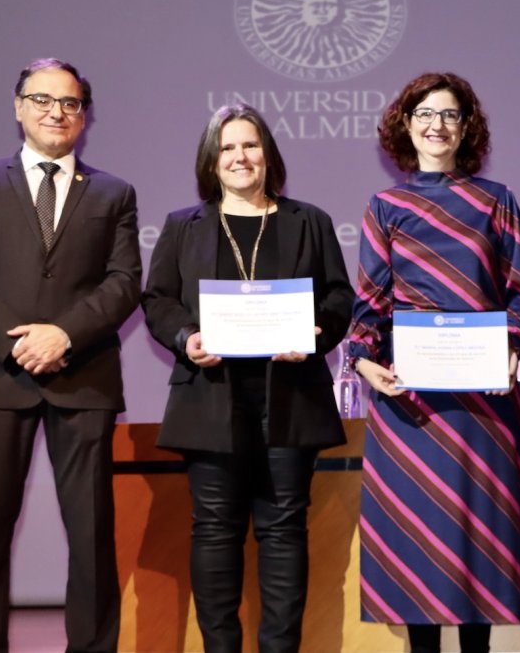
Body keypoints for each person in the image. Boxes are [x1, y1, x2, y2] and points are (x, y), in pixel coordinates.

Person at [0, 58, 141, 653]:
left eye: (70, 103)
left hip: (85, 378)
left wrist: (64, 335)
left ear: (86, 114)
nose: (57, 112)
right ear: (18, 107)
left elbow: (124, 281)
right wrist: (19, 341)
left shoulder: (113, 192)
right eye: (42, 100)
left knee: (93, 535)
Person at [142, 103, 353, 653]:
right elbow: (158, 299)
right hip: (210, 400)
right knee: (214, 530)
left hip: (290, 399)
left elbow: (338, 296)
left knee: (284, 531)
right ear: (211, 161)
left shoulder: (310, 221)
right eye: (229, 147)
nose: (240, 157)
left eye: (251, 145)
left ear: (268, 155)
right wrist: (186, 336)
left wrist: (313, 330)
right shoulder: (182, 227)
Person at [350, 72, 520, 653]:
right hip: (411, 407)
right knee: (419, 548)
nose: (437, 125)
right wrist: (363, 364)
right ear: (406, 126)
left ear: (466, 128)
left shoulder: (496, 200)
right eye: (424, 114)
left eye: (450, 114)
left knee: (480, 545)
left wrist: (510, 348)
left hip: (482, 403)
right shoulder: (386, 206)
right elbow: (370, 305)